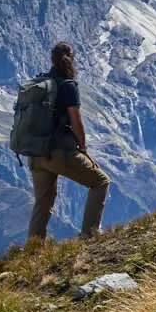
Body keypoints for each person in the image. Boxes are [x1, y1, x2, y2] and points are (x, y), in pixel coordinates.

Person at [26, 41, 110, 243]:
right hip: (60, 152)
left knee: (43, 202)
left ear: (51, 60)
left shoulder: (40, 84)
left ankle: (33, 248)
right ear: (71, 60)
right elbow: (76, 121)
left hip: (36, 154)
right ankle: (89, 235)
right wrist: (83, 148)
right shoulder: (68, 85)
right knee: (100, 182)